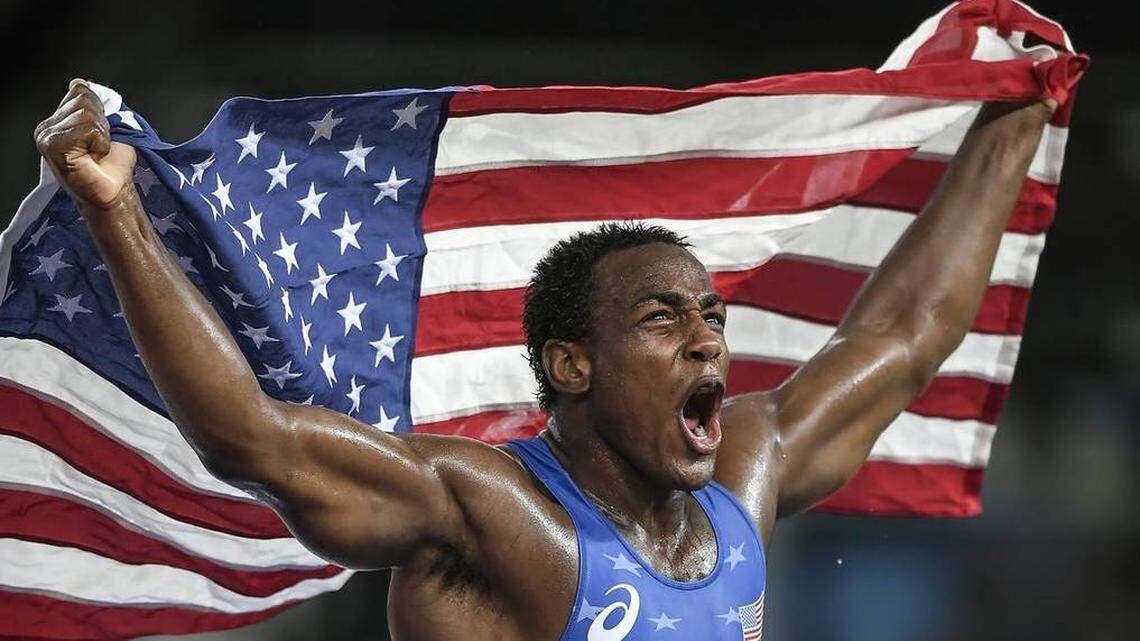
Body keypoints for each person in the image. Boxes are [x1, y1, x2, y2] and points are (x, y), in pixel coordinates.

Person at [34, 79, 1056, 640]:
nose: (708, 336)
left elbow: (903, 337)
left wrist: (1017, 120)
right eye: (664, 318)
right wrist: (117, 206)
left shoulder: (746, 469)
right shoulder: (488, 510)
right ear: (572, 365)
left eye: (711, 315)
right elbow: (253, 438)